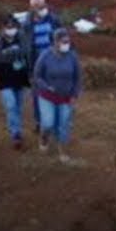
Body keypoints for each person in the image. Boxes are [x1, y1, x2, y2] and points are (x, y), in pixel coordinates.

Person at [32, 29, 80, 161]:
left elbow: (77, 77)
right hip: (48, 96)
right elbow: (37, 76)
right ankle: (44, 139)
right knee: (48, 123)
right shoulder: (45, 56)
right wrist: (46, 87)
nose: (66, 44)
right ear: (56, 42)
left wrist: (75, 94)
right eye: (64, 42)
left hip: (66, 97)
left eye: (68, 42)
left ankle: (62, 151)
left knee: (63, 124)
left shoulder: (72, 56)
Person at [0, 15, 32, 149]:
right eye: (7, 27)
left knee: (18, 107)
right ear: (1, 28)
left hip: (21, 77)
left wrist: (7, 53)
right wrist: (15, 52)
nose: (10, 29)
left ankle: (16, 129)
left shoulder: (21, 36)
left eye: (13, 27)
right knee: (11, 105)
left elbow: (26, 50)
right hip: (4, 78)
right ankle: (15, 134)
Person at [26, 0, 62, 127]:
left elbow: (62, 37)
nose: (40, 9)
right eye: (37, 7)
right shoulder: (27, 24)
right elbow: (26, 46)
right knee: (37, 94)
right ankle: (39, 121)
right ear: (31, 8)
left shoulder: (54, 20)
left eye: (42, 6)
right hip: (37, 63)